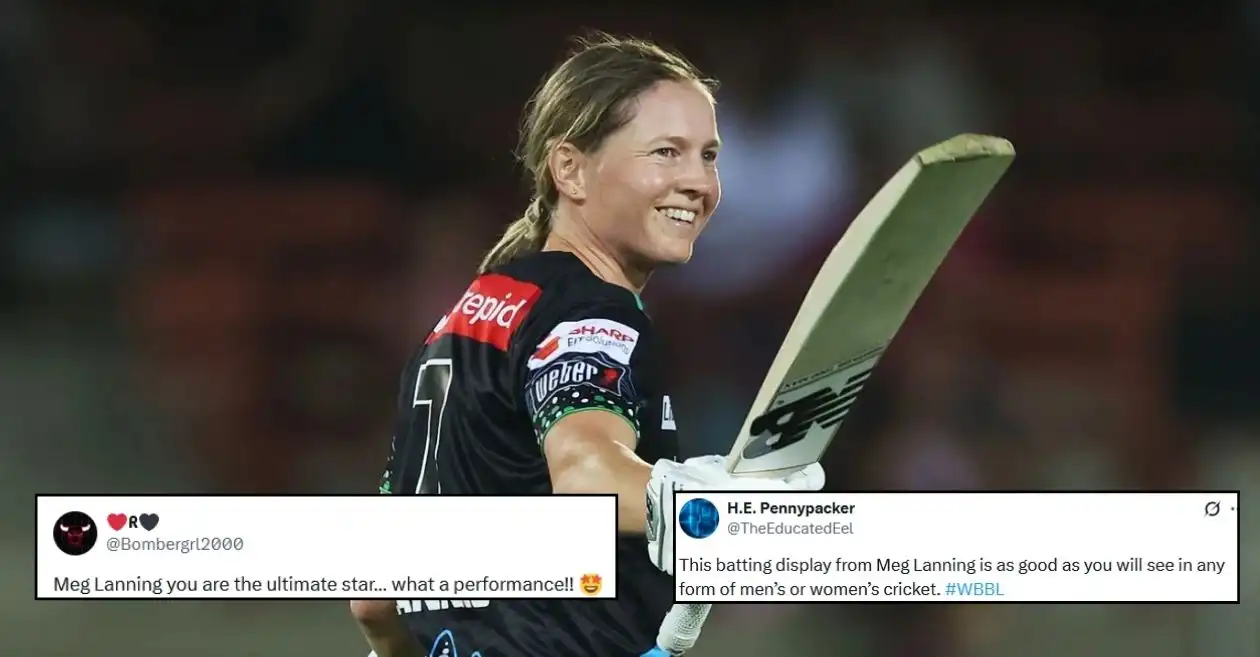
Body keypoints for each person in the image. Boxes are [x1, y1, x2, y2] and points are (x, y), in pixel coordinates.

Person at [350, 32, 824, 657]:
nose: (698, 183)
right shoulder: (590, 313)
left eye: (708, 156)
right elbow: (585, 472)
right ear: (570, 169)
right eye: (665, 152)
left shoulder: (457, 327)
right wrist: (698, 509)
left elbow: (374, 598)